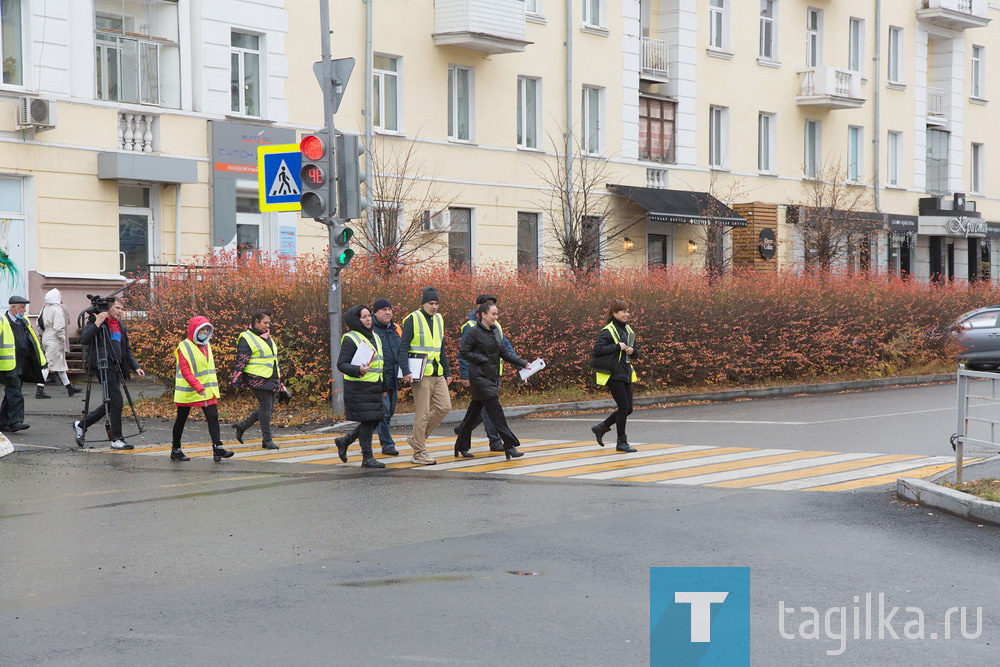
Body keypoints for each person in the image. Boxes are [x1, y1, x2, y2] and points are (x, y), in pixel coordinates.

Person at [453, 301, 529, 460]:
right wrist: (481, 359)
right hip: (479, 378)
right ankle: (510, 445)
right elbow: (464, 352)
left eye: (496, 314)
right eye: (493, 314)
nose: (496, 317)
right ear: (483, 315)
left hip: (490, 377)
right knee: (497, 414)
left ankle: (460, 445)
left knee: (472, 415)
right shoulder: (473, 332)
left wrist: (522, 364)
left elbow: (504, 352)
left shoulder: (494, 331)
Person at [73, 298, 145, 449]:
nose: (120, 311)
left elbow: (126, 350)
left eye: (121, 309)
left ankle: (81, 424)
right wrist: (97, 322)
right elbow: (85, 339)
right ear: (108, 309)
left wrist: (135, 366)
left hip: (117, 366)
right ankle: (117, 439)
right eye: (117, 308)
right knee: (116, 400)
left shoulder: (120, 325)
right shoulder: (99, 322)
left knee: (112, 401)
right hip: (103, 365)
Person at [335, 298, 401, 456]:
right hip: (359, 388)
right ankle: (367, 456)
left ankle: (346, 441)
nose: (368, 319)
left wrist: (384, 387)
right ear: (356, 320)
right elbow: (341, 364)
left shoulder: (375, 337)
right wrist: (358, 369)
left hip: (374, 387)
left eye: (368, 316)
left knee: (375, 419)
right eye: (364, 317)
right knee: (369, 421)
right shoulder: (351, 338)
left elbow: (380, 364)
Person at [397, 287, 453, 466]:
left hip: (437, 372)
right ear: (423, 304)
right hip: (420, 374)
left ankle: (416, 439)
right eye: (431, 303)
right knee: (422, 414)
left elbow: (441, 348)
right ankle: (418, 452)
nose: (434, 307)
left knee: (445, 407)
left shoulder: (439, 319)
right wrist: (405, 371)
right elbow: (403, 347)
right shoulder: (412, 319)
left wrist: (447, 371)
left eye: (437, 303)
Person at [170, 316, 234, 463]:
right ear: (194, 330)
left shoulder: (206, 345)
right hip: (188, 391)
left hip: (206, 390)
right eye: (201, 330)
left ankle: (217, 447)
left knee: (213, 416)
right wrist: (198, 387)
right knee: (181, 419)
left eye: (206, 330)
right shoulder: (184, 347)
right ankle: (176, 449)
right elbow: (186, 371)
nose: (204, 333)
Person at [232, 309, 287, 450]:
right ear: (256, 321)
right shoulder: (246, 337)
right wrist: (236, 379)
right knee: (265, 406)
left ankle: (242, 426)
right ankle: (267, 440)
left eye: (269, 322)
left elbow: (273, 360)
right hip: (256, 378)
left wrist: (280, 382)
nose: (268, 325)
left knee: (269, 407)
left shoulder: (266, 336)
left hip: (270, 376)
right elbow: (241, 360)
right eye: (265, 323)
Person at [590, 299, 639, 453]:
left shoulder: (628, 330)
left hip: (625, 373)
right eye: (624, 311)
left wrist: (632, 351)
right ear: (615, 313)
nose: (627, 314)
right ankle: (621, 442)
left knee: (628, 408)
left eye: (628, 311)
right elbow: (597, 350)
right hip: (613, 374)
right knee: (624, 407)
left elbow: (636, 352)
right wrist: (617, 346)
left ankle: (601, 427)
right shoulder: (608, 330)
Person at [1, 295, 47, 432]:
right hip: (7, 364)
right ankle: (16, 421)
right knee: (15, 391)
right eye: (22, 307)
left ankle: (2, 421)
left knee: (12, 392)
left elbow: (33, 342)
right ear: (13, 307)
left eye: (25, 307)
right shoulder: (3, 321)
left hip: (21, 363)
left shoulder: (24, 321)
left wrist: (42, 360)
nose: (24, 310)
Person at [36, 289, 80, 399]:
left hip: (47, 335)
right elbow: (59, 327)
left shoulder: (44, 309)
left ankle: (69, 387)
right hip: (55, 338)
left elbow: (38, 324)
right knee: (48, 364)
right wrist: (62, 339)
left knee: (60, 364)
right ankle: (39, 389)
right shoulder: (57, 309)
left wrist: (43, 334)